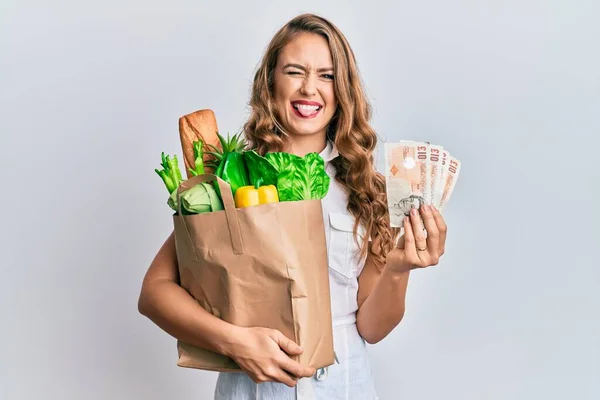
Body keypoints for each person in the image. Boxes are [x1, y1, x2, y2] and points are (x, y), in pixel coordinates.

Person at [138, 12, 448, 400]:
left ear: (343, 89)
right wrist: (235, 342)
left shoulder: (367, 188)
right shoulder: (231, 177)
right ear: (270, 82)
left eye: (326, 75)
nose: (309, 89)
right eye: (294, 72)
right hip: (251, 391)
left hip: (345, 388)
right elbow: (154, 293)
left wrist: (400, 268)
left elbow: (371, 327)